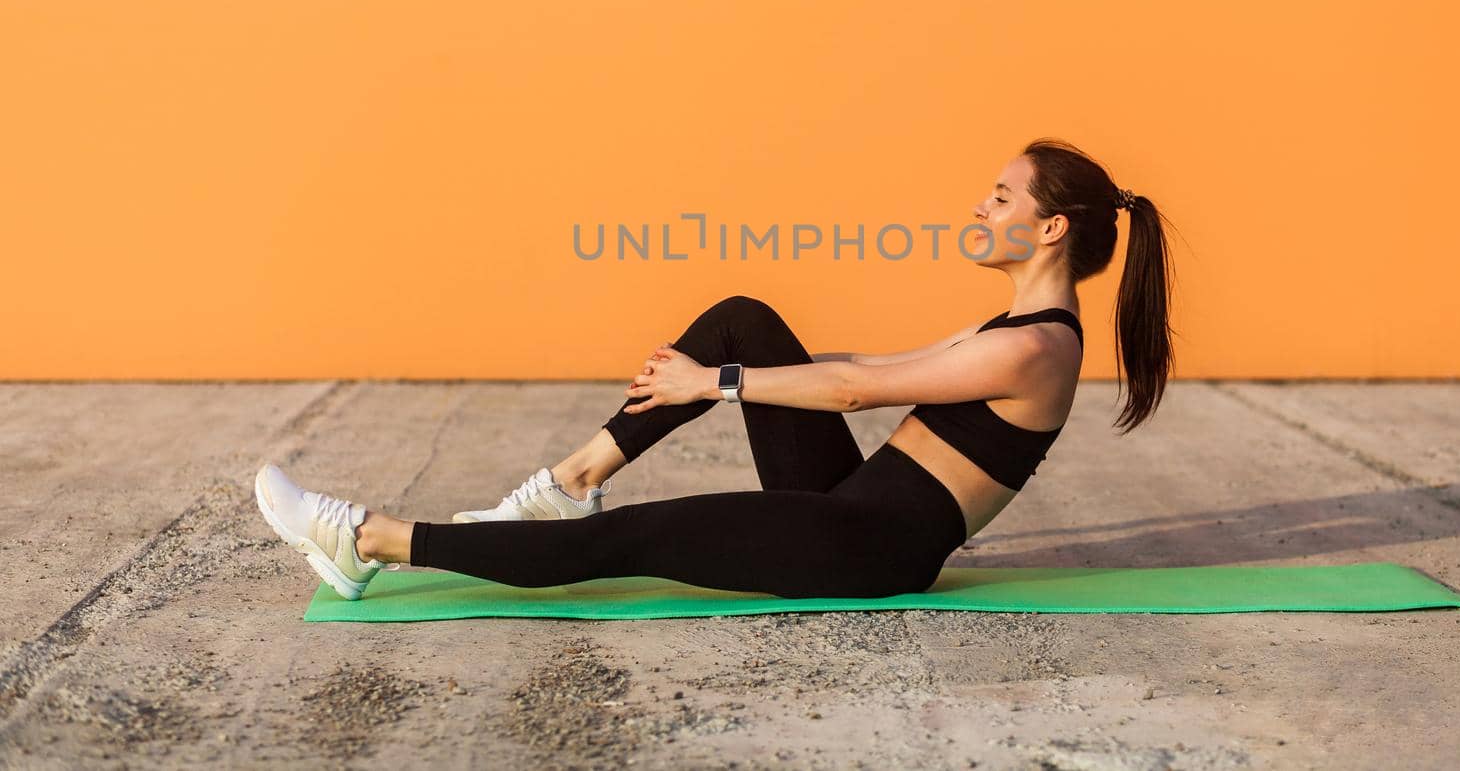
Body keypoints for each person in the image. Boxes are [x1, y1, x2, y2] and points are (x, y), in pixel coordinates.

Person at [255, 137, 1177, 601]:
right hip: (855, 504)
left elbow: (857, 390)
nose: (983, 206)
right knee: (744, 320)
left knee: (637, 541)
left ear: (1051, 227)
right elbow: (873, 366)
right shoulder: (1019, 325)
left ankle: (364, 541)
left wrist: (718, 385)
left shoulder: (1034, 345)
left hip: (868, 550)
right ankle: (573, 479)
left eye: (1003, 196)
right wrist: (737, 365)